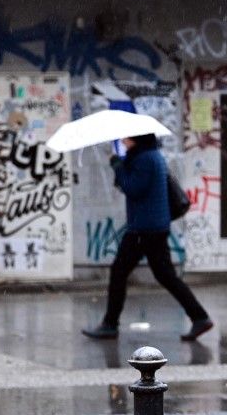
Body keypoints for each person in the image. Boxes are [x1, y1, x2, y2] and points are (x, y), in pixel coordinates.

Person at [82, 133, 214, 342]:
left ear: (137, 139)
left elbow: (134, 189)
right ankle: (200, 317)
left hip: (143, 228)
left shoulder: (144, 159)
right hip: (153, 226)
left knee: (119, 272)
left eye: (127, 139)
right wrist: (123, 165)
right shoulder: (150, 156)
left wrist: (117, 166)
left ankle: (110, 324)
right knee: (165, 275)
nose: (123, 142)